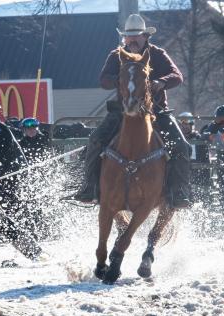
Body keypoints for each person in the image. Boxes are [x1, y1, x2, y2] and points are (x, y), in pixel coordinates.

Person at [73, 14, 191, 208]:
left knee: (181, 145)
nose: (133, 39)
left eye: (137, 35)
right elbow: (103, 80)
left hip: (156, 112)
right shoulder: (116, 55)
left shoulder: (157, 54)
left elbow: (177, 76)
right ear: (124, 38)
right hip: (122, 111)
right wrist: (120, 79)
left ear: (145, 36)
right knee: (95, 140)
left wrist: (161, 82)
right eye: (129, 36)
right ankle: (90, 186)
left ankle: (179, 191)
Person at [178, 111, 210, 204]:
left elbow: (205, 159)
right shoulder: (178, 140)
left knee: (197, 198)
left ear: (192, 125)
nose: (184, 127)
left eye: (187, 124)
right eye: (182, 125)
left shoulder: (198, 139)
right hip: (182, 174)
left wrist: (206, 178)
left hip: (197, 174)